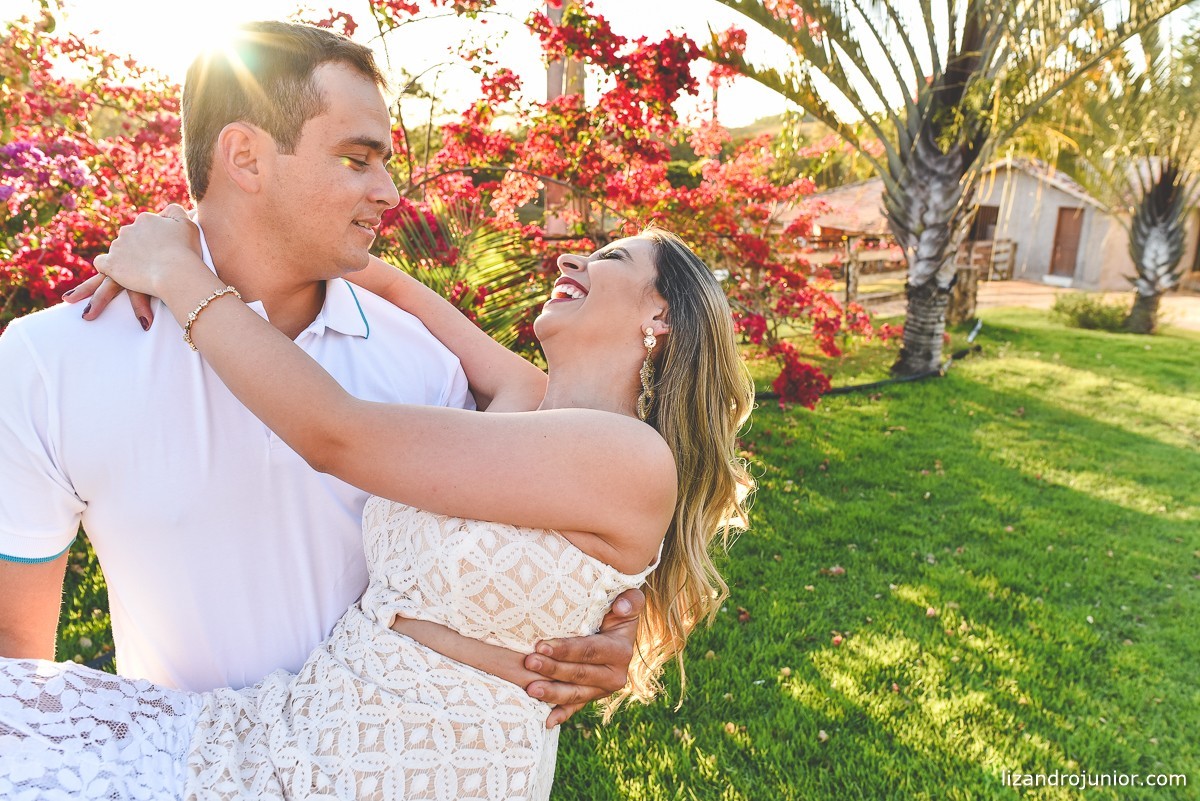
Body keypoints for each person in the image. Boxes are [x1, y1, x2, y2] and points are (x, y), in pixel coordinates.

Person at [0, 21, 638, 728]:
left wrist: (601, 623)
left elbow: (518, 546)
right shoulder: (52, 359)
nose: (390, 192)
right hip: (181, 767)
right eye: (356, 159)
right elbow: (13, 660)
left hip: (397, 765)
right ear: (245, 157)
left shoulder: (422, 361)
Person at [0, 201, 755, 797]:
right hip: (301, 729)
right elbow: (387, 284)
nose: (570, 258)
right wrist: (193, 229)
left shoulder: (631, 458)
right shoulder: (520, 403)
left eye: (612, 257)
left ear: (660, 318)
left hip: (426, 769)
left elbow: (337, 433)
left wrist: (179, 274)